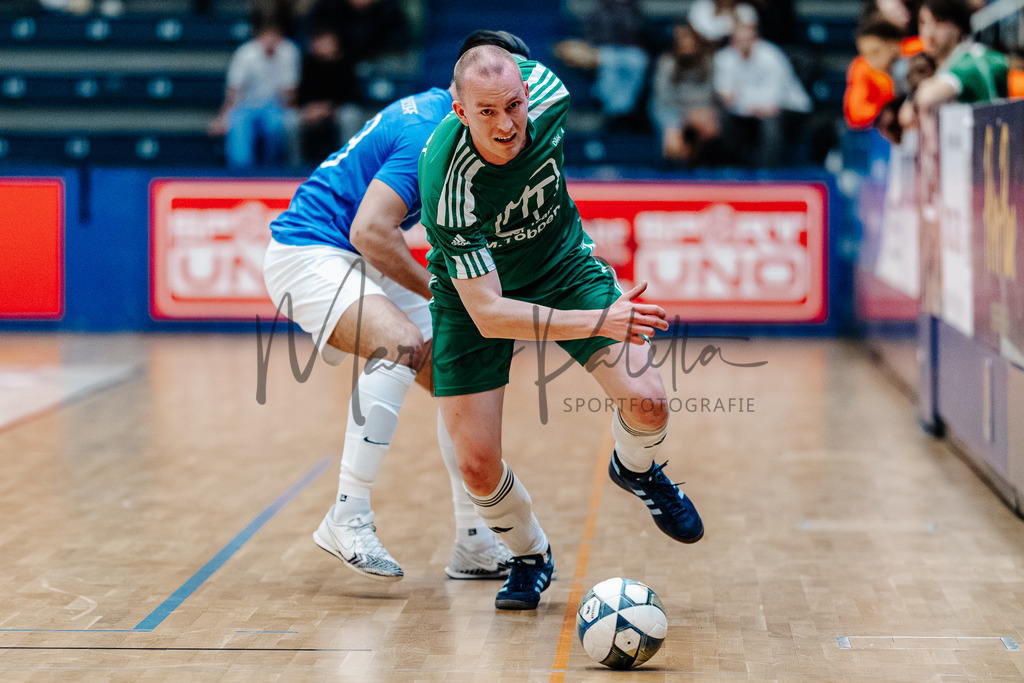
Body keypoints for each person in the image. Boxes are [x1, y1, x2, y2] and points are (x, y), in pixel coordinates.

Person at [418, 46, 704, 611]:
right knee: (476, 463)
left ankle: (637, 470)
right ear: (459, 111)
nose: (507, 125)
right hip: (474, 298)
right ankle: (529, 555)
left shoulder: (551, 94)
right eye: (488, 113)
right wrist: (601, 320)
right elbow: (491, 313)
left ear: (527, 95)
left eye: (513, 106)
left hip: (561, 268)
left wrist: (594, 311)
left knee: (648, 402)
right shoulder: (447, 181)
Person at [262, 31, 535, 583]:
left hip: (355, 251)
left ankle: (475, 543)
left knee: (455, 375)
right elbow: (369, 231)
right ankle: (347, 514)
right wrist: (446, 294)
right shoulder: (426, 134)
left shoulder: (464, 127)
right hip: (310, 250)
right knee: (403, 343)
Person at [712, 18, 811, 167]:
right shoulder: (724, 59)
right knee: (724, 119)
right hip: (747, 111)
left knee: (771, 123)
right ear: (733, 40)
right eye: (740, 39)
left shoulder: (771, 56)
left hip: (790, 108)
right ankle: (734, 172)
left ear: (756, 38)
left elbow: (774, 100)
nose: (744, 43)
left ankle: (767, 175)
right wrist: (746, 105)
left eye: (749, 38)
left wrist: (744, 101)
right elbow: (726, 97)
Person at [208, 11, 301, 169]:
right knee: (237, 122)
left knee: (278, 125)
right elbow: (234, 90)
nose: (271, 40)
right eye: (266, 35)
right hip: (246, 106)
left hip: (276, 106)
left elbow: (290, 95)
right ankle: (240, 175)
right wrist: (223, 116)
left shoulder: (289, 51)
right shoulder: (245, 54)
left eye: (275, 35)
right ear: (258, 35)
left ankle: (274, 173)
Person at [648, 21, 723, 165]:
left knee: (710, 127)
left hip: (702, 109)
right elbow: (663, 97)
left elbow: (708, 94)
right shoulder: (667, 63)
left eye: (688, 37)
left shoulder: (708, 62)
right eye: (680, 39)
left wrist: (695, 111)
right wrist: (686, 113)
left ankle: (702, 167)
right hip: (670, 110)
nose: (685, 42)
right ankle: (677, 173)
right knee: (674, 148)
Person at [295, 26, 361, 165]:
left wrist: (328, 108)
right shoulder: (307, 63)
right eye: (317, 41)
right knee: (290, 120)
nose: (321, 45)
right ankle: (293, 167)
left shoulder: (346, 62)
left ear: (335, 42)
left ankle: (347, 164)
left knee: (350, 116)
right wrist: (310, 109)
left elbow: (351, 95)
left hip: (339, 109)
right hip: (312, 110)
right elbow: (301, 96)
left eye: (325, 41)